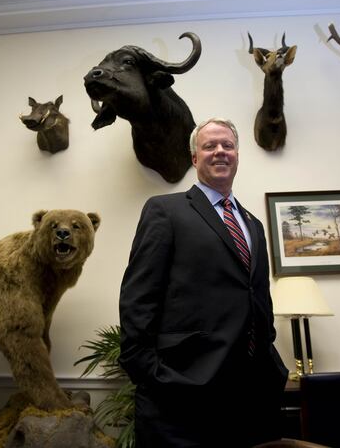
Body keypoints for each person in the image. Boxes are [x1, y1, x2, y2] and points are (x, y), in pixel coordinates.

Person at [119, 117, 288, 447]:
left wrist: (270, 361)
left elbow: (258, 297)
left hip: (250, 397)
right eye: (209, 146)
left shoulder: (252, 223)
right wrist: (151, 374)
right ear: (195, 158)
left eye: (228, 145)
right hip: (181, 397)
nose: (220, 151)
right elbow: (138, 298)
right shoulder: (165, 211)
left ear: (237, 155)